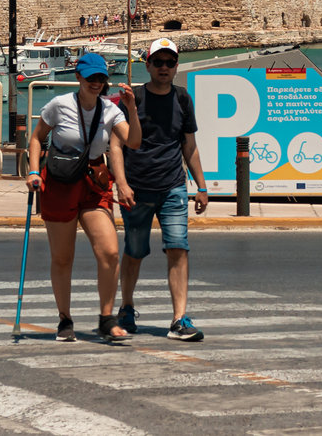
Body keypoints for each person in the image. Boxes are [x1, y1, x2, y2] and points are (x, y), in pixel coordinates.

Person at [26, 52, 142, 344]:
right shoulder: (59, 105)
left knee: (110, 252)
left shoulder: (111, 110)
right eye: (91, 78)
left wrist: (132, 109)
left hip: (93, 184)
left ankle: (106, 318)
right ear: (78, 77)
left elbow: (134, 141)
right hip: (60, 183)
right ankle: (65, 319)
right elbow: (37, 137)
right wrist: (32, 171)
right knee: (63, 258)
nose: (96, 83)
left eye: (101, 78)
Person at [115, 37, 208, 342]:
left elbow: (189, 146)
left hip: (173, 186)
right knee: (134, 251)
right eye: (159, 62)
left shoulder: (183, 99)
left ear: (176, 66)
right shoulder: (134, 98)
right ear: (148, 65)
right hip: (137, 188)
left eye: (170, 62)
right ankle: (126, 308)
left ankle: (179, 319)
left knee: (178, 248)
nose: (165, 67)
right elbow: (116, 143)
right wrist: (122, 184)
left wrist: (202, 186)